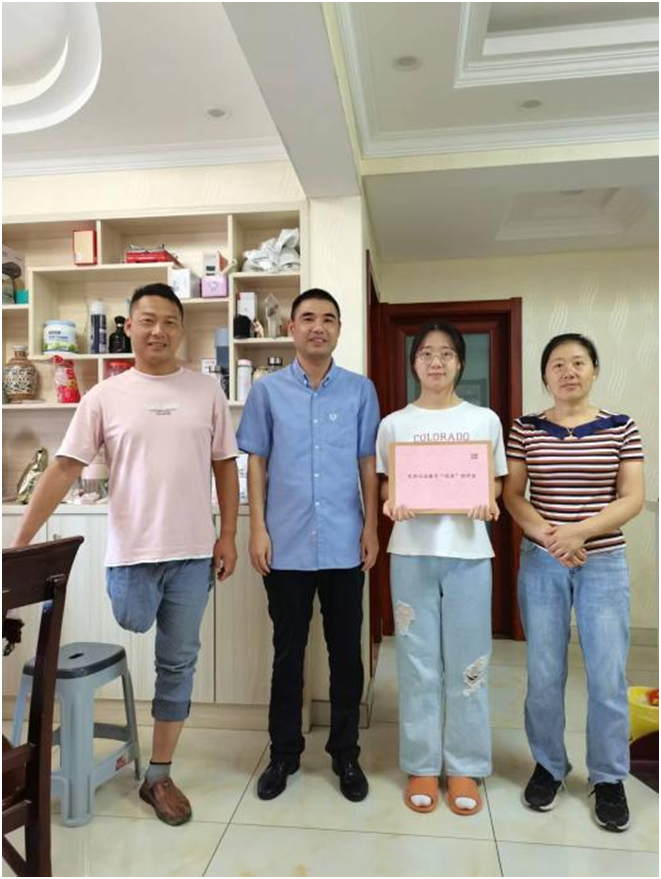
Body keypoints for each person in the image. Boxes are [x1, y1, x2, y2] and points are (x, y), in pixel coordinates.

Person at [11, 283, 239, 826]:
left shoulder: (206, 390)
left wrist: (227, 534)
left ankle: (159, 775)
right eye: (148, 320)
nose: (158, 330)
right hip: (133, 550)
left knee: (177, 661)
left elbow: (225, 465)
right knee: (133, 617)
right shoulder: (104, 396)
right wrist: (20, 543)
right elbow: (64, 467)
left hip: (192, 553)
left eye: (169, 321)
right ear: (129, 328)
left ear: (181, 330)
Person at [236, 288, 380, 802]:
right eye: (309, 318)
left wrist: (371, 527)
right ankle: (283, 753)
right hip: (286, 544)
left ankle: (346, 753)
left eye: (329, 319)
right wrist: (257, 529)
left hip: (344, 543)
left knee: (346, 655)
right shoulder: (267, 392)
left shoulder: (360, 390)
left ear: (338, 329)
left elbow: (367, 462)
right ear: (292, 328)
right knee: (288, 653)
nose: (319, 327)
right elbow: (256, 461)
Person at [503, 333, 645, 833]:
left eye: (578, 362)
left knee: (607, 676)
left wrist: (579, 533)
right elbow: (513, 494)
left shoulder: (621, 427)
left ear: (594, 370)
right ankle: (549, 766)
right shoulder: (525, 428)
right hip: (543, 561)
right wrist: (551, 536)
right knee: (544, 672)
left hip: (603, 562)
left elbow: (631, 497)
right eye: (558, 364)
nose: (568, 371)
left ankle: (608, 777)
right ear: (545, 376)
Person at [376, 321, 507, 815]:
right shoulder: (394, 424)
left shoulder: (484, 420)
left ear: (459, 362)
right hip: (411, 554)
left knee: (470, 662)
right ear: (414, 364)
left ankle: (466, 765)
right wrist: (392, 501)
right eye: (426, 353)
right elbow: (386, 484)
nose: (436, 361)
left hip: (469, 555)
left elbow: (496, 481)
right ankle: (423, 764)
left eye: (446, 353)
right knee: (417, 663)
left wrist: (487, 499)